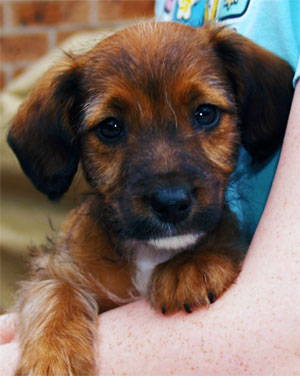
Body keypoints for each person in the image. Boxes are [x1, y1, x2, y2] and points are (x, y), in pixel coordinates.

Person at [0, 1, 299, 375]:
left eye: (205, 115)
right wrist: (54, 324)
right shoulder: (84, 253)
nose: (169, 193)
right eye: (111, 129)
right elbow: (52, 281)